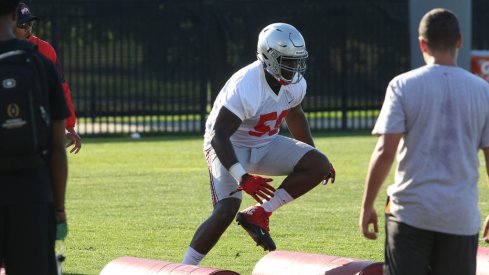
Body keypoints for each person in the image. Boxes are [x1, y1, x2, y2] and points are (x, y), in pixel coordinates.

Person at [182, 23, 335, 265]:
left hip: (266, 143)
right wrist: (243, 177)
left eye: (297, 61)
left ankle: (260, 213)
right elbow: (218, 135)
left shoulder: (296, 83)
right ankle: (186, 267)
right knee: (226, 210)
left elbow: (295, 115)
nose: (295, 67)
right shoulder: (247, 85)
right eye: (288, 61)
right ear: (269, 57)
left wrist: (312, 152)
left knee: (318, 164)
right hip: (229, 146)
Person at [359, 8, 489, 275]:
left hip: (410, 212)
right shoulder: (483, 91)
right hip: (460, 215)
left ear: (422, 43)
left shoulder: (402, 85)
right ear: (460, 41)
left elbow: (385, 151)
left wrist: (367, 204)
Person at [0, 0, 70, 274]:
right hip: (32, 192)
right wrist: (59, 208)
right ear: (15, 14)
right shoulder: (41, 63)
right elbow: (56, 148)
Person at [15, 2, 81, 154]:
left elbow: (61, 88)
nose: (28, 28)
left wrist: (69, 125)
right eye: (22, 24)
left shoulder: (44, 49)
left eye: (29, 23)